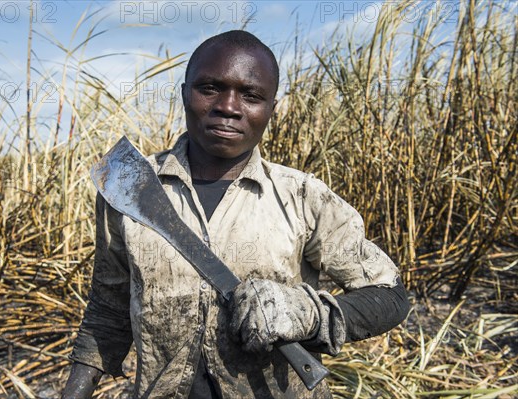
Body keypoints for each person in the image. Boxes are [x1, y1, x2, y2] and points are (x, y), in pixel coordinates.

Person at [62, 30, 410, 399]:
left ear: (271, 110)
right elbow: (108, 308)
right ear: (184, 94)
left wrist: (307, 313)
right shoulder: (129, 185)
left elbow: (391, 297)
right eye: (210, 88)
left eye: (251, 95)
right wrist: (75, 390)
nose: (228, 106)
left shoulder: (303, 196)